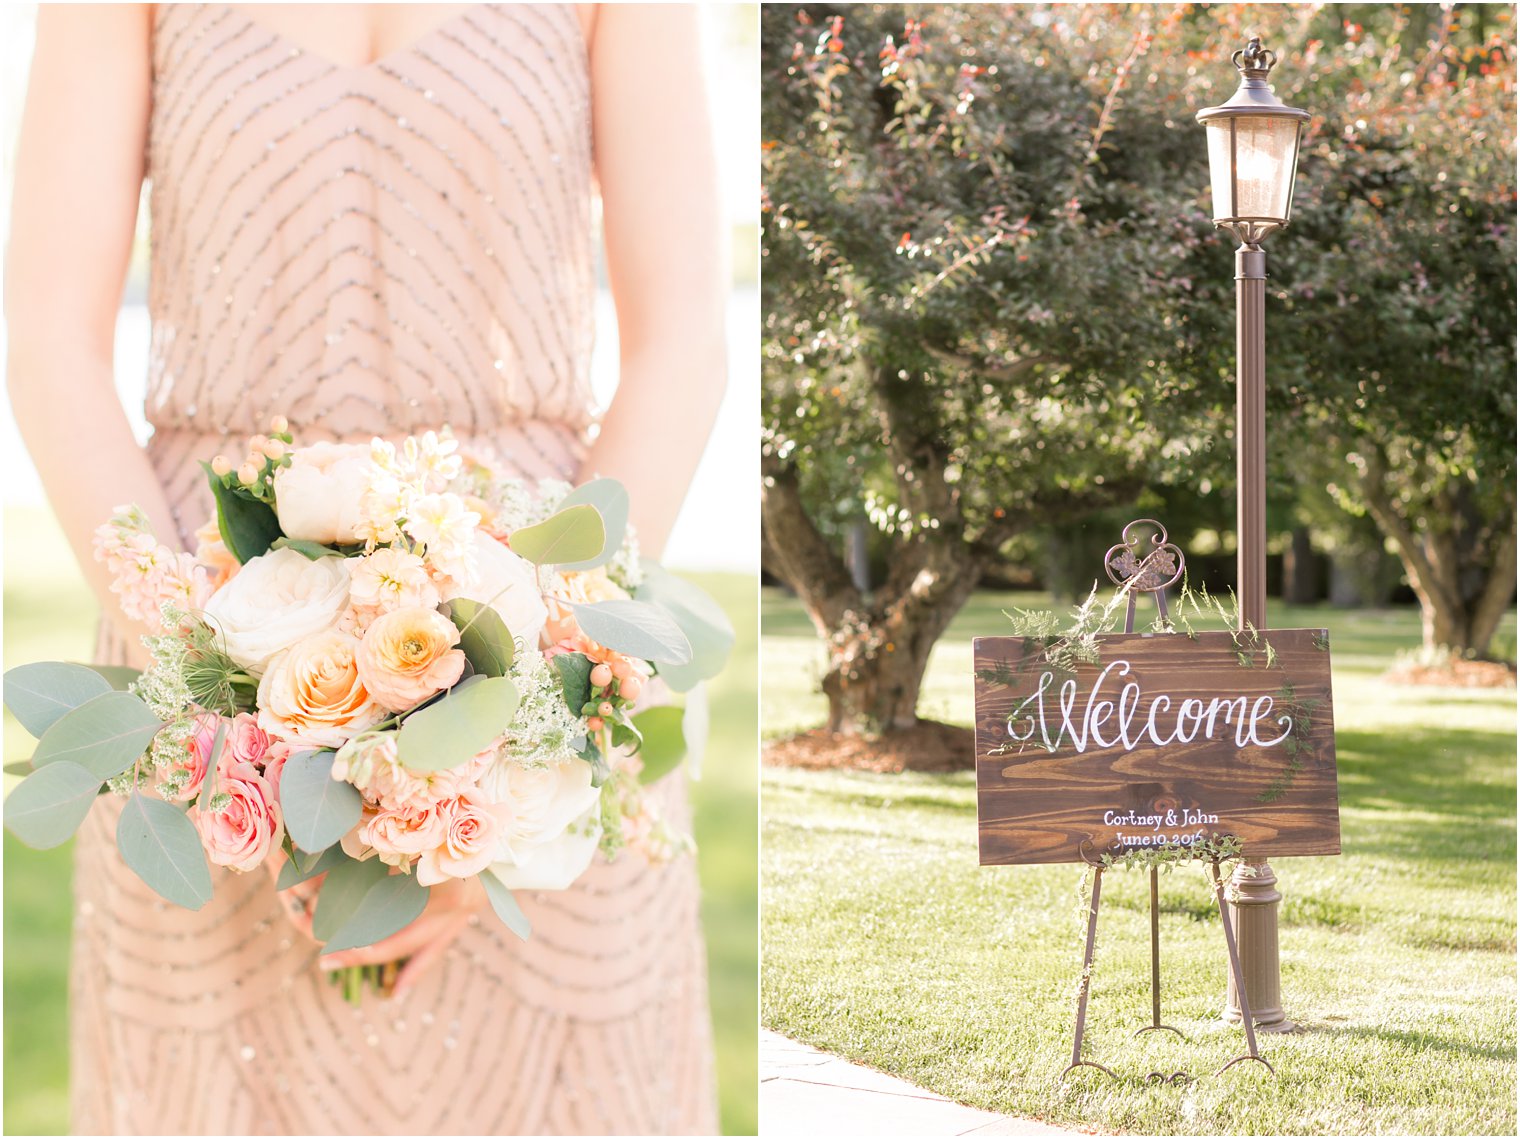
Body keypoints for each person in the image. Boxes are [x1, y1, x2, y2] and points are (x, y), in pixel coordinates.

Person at [6, 4, 727, 1133]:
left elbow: (684, 339)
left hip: (539, 619)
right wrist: (220, 703)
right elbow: (48, 338)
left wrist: (501, 750)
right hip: (201, 617)